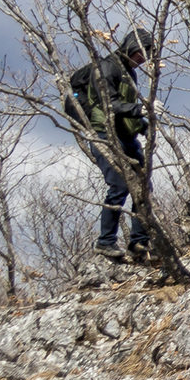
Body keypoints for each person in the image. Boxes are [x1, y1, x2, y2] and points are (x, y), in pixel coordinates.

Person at [76, 28, 155, 263]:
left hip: (126, 136)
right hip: (104, 135)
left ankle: (138, 241)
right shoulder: (107, 67)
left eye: (146, 55)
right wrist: (139, 109)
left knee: (143, 186)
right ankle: (105, 242)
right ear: (130, 46)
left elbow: (126, 109)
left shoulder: (130, 73)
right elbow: (109, 104)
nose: (142, 59)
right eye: (140, 52)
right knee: (119, 186)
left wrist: (144, 125)